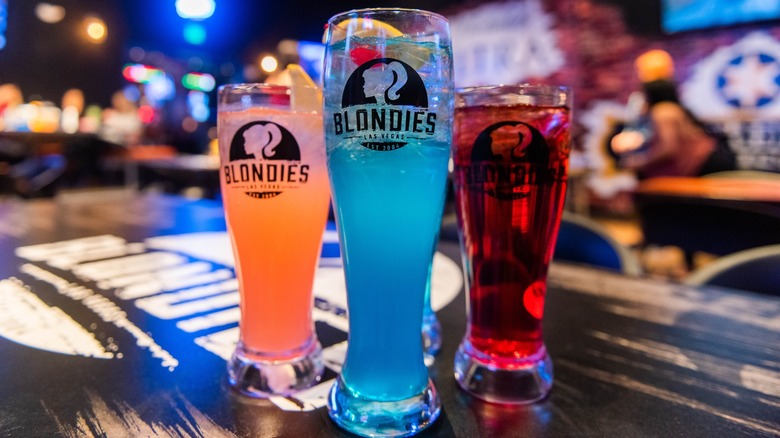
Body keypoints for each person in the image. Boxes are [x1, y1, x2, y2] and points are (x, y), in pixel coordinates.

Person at [610, 51, 736, 179]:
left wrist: (642, 162)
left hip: (706, 162)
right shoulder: (672, 109)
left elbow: (669, 148)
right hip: (710, 159)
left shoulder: (663, 112)